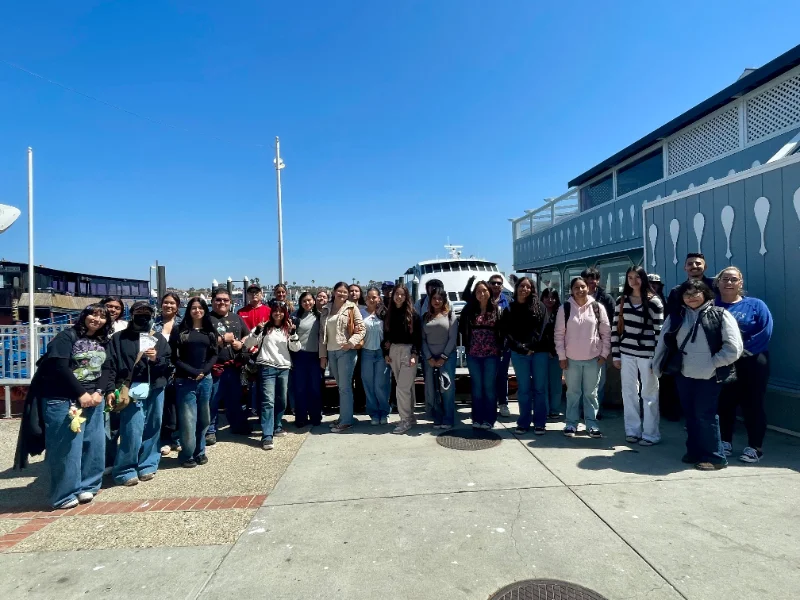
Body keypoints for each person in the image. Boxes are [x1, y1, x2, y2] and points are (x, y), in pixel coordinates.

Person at [21, 304, 111, 508]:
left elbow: (107, 367)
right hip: (64, 399)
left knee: (93, 444)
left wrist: (99, 392)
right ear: (84, 315)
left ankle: (88, 485)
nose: (97, 319)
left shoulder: (102, 340)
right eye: (93, 314)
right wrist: (81, 393)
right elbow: (60, 367)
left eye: (102, 316)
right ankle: (63, 494)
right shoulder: (66, 337)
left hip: (94, 399)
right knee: (66, 448)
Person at [653, 279, 742, 471]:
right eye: (687, 294)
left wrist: (713, 363)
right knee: (690, 415)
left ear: (706, 294)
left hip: (709, 376)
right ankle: (694, 450)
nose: (691, 297)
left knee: (706, 415)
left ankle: (715, 457)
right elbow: (663, 343)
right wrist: (657, 366)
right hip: (683, 373)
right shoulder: (677, 316)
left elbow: (734, 348)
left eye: (696, 293)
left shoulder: (721, 315)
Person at [103, 301, 171, 485]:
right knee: (132, 428)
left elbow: (168, 364)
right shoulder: (118, 338)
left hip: (155, 387)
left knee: (153, 426)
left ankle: (148, 463)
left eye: (147, 312)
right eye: (139, 312)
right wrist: (110, 388)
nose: (143, 315)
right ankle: (124, 468)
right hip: (130, 389)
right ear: (131, 315)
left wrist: (155, 359)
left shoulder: (158, 338)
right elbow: (110, 365)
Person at [715, 266, 773, 464]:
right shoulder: (712, 306)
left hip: (753, 360)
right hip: (723, 362)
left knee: (753, 403)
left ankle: (755, 447)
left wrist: (740, 351)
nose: (729, 282)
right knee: (724, 403)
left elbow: (765, 331)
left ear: (740, 283)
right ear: (718, 282)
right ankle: (724, 442)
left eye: (733, 279)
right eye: (725, 279)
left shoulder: (756, 305)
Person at [611, 267, 664, 446]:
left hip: (647, 354)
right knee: (629, 392)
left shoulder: (654, 302)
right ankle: (632, 431)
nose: (633, 281)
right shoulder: (621, 301)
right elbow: (615, 329)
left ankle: (651, 434)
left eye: (637, 277)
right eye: (630, 277)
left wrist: (657, 358)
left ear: (644, 279)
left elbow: (659, 332)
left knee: (649, 393)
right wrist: (616, 355)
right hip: (626, 353)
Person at [555, 276, 611, 438]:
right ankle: (571, 423)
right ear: (571, 291)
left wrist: (603, 354)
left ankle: (591, 423)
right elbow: (559, 335)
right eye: (576, 288)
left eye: (582, 287)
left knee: (591, 394)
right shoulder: (564, 308)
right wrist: (562, 357)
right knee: (573, 393)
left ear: (588, 288)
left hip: (593, 359)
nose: (580, 290)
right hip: (571, 359)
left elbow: (606, 333)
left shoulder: (597, 307)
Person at [662, 253, 714, 422]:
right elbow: (670, 319)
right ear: (685, 268)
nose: (694, 266)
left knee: (710, 398)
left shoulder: (715, 286)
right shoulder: (676, 291)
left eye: (698, 263)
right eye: (690, 263)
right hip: (683, 348)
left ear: (704, 267)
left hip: (711, 348)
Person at [169, 297, 218, 468]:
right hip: (185, 380)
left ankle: (200, 451)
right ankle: (187, 454)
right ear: (188, 310)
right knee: (188, 420)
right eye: (193, 308)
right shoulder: (179, 330)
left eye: (200, 308)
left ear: (205, 310)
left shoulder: (209, 331)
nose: (197, 311)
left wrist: (204, 371)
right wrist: (193, 371)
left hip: (205, 380)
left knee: (204, 419)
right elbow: (174, 357)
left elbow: (214, 354)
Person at [245, 303, 300, 450]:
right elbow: (248, 343)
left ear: (285, 314)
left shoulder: (288, 329)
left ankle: (277, 425)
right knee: (268, 401)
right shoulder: (264, 328)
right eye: (275, 311)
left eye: (281, 312)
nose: (278, 314)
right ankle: (267, 435)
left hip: (284, 368)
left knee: (282, 399)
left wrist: (294, 334)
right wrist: (257, 330)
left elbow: (296, 348)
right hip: (267, 367)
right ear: (271, 313)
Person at [501, 277, 547, 434]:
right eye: (522, 286)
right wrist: (522, 348)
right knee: (524, 389)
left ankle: (540, 422)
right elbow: (507, 332)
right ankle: (524, 421)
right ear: (517, 287)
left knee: (540, 388)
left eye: (528, 286)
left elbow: (542, 330)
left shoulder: (539, 306)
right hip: (519, 354)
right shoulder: (509, 309)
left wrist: (532, 347)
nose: (524, 289)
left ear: (532, 289)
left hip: (539, 352)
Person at [319, 282, 365, 433]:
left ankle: (346, 421)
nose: (343, 294)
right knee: (341, 387)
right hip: (331, 352)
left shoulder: (352, 307)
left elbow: (361, 329)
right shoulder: (326, 309)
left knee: (345, 388)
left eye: (345, 292)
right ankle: (345, 416)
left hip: (346, 352)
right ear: (333, 292)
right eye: (340, 291)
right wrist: (323, 355)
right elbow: (322, 335)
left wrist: (350, 343)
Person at [207, 287, 251, 444]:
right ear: (212, 301)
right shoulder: (206, 318)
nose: (222, 302)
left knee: (235, 399)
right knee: (212, 400)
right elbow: (200, 340)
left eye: (225, 300)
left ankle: (237, 425)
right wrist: (221, 340)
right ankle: (210, 430)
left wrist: (241, 343)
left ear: (230, 302)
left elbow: (247, 335)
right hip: (214, 368)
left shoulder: (236, 318)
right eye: (218, 299)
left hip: (234, 367)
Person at [459, 280, 502, 429]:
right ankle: (477, 418)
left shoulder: (497, 309)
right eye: (478, 291)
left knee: (489, 387)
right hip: (473, 354)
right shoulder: (470, 310)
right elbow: (461, 328)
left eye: (484, 290)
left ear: (489, 292)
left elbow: (502, 331)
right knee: (476, 387)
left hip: (492, 354)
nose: (481, 294)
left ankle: (489, 419)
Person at [384, 284, 422, 434]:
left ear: (406, 297)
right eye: (396, 294)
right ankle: (410, 416)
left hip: (408, 351)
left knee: (402, 388)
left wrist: (414, 354)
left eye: (402, 294)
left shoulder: (413, 315)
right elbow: (386, 336)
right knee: (406, 387)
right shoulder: (389, 314)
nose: (399, 297)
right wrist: (385, 353)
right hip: (394, 351)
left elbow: (418, 337)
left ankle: (405, 420)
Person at [421, 287, 458, 430]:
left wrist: (443, 357)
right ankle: (437, 416)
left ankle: (448, 418)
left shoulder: (450, 315)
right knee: (432, 388)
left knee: (447, 388)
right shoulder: (425, 317)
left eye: (440, 298)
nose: (437, 301)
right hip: (429, 357)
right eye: (434, 298)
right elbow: (422, 339)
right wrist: (429, 357)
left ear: (444, 300)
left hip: (447, 357)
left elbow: (452, 338)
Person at [580, 268, 614, 415]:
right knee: (582, 381)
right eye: (587, 279)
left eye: (593, 279)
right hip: (579, 346)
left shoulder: (606, 299)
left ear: (598, 280)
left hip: (599, 346)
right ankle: (582, 409)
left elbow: (613, 322)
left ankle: (595, 410)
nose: (590, 282)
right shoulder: (575, 298)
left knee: (599, 380)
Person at [101, 296, 128, 473]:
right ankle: (104, 459)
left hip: (118, 378)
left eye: (117, 308)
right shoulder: (95, 324)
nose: (113, 310)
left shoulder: (124, 326)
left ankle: (115, 458)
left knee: (115, 422)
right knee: (103, 424)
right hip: (97, 378)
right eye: (109, 306)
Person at [153, 293, 182, 457]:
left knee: (177, 406)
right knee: (161, 406)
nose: (168, 306)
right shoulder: (153, 323)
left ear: (177, 306)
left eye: (172, 303)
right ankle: (163, 439)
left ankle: (176, 438)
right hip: (158, 370)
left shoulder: (183, 323)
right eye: (165, 303)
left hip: (178, 369)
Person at [238, 284, 271, 417]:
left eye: (256, 292)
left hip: (264, 353)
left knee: (263, 384)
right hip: (247, 353)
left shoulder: (268, 311)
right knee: (247, 384)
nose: (254, 295)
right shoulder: (241, 312)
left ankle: (261, 411)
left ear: (261, 294)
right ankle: (248, 410)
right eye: (251, 293)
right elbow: (240, 333)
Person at [291, 292, 323, 428]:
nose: (307, 303)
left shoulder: (320, 316)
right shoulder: (295, 316)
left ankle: (315, 416)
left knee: (315, 388)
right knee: (300, 388)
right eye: (304, 301)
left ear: (314, 301)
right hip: (299, 355)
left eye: (309, 300)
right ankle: (301, 417)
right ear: (300, 302)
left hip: (315, 356)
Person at [361, 287, 391, 425]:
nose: (372, 300)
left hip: (381, 353)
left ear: (379, 298)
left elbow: (389, 332)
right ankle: (373, 413)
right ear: (366, 299)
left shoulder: (384, 313)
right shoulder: (360, 314)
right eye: (369, 297)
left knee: (381, 384)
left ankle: (384, 412)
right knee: (369, 385)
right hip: (366, 352)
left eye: (374, 297)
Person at [486, 274, 512, 418]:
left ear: (502, 286)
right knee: (488, 376)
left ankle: (503, 403)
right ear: (489, 284)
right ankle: (489, 403)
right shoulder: (483, 300)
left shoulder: (508, 301)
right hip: (486, 346)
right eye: (493, 283)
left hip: (503, 346)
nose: (496, 285)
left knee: (502, 375)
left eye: (499, 283)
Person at [538, 289, 564, 420]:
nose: (550, 300)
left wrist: (554, 351)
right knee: (542, 383)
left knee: (555, 383)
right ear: (542, 298)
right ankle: (545, 409)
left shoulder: (561, 312)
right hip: (541, 352)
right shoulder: (537, 312)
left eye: (553, 297)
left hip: (556, 353)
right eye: (547, 297)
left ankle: (554, 409)